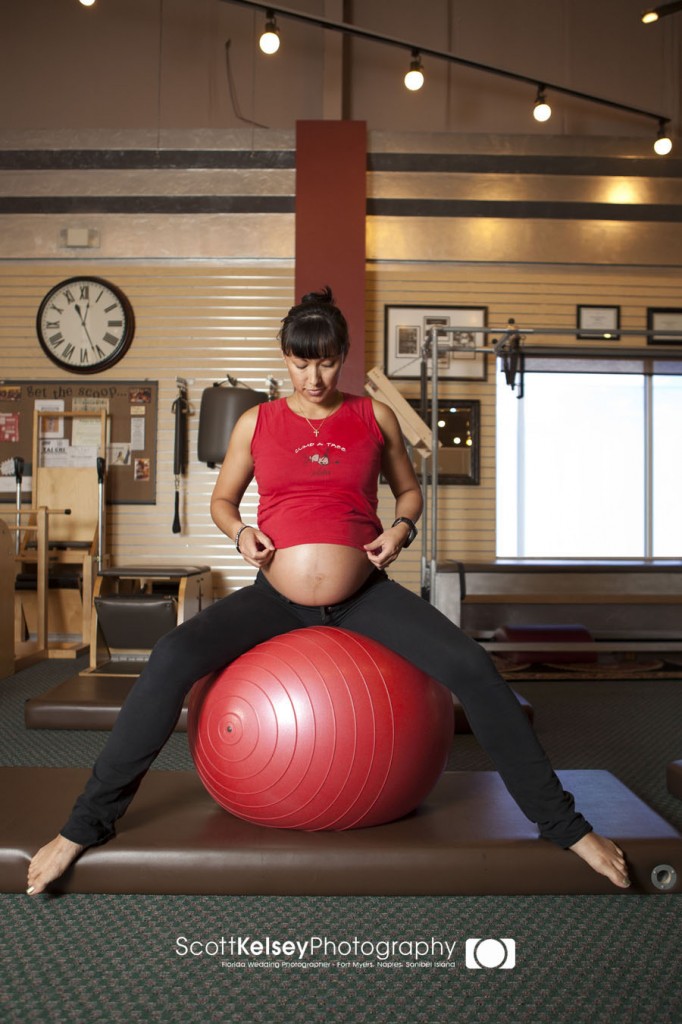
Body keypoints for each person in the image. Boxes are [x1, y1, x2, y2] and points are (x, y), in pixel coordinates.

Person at [27, 287, 630, 895]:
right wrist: (241, 533)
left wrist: (399, 530)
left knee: (472, 666)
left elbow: (409, 492)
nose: (313, 378)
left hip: (364, 594)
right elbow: (222, 500)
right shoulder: (256, 421)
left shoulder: (374, 416)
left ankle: (565, 825)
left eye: (326, 362)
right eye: (300, 363)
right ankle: (84, 826)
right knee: (170, 656)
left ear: (342, 356)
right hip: (274, 599)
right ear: (284, 358)